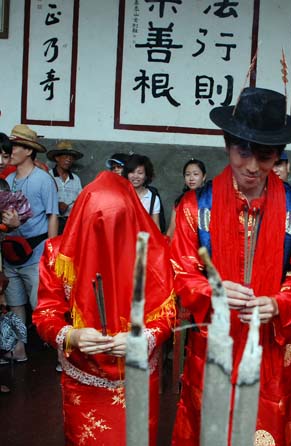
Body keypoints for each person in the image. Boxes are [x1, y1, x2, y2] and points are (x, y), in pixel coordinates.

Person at [170, 87, 291, 446]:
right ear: (227, 146)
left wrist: (279, 303)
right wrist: (212, 291)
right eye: (243, 152)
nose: (253, 166)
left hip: (270, 347)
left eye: (265, 156)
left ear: (278, 155)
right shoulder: (195, 206)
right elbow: (179, 271)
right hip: (213, 343)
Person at [32, 171, 175, 445]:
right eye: (98, 227)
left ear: (131, 219)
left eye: (116, 226)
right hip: (82, 373)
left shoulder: (155, 254)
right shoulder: (58, 254)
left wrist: (143, 338)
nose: (107, 238)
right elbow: (46, 313)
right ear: (83, 220)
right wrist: (71, 335)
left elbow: (167, 314)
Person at [0, 124, 58, 363]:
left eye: (15, 147)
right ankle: (19, 349)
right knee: (15, 304)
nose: (10, 151)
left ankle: (62, 355)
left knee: (41, 305)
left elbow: (52, 215)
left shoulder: (43, 180)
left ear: (29, 150)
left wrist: (52, 252)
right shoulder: (8, 179)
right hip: (10, 252)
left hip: (36, 252)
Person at [47, 140, 84, 234]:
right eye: (66, 156)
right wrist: (56, 204)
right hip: (52, 221)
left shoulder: (75, 179)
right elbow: (42, 200)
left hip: (71, 222)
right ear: (57, 158)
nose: (69, 160)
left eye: (71, 157)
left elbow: (81, 200)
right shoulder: (48, 176)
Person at [166, 159, 206, 238]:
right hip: (183, 244)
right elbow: (171, 230)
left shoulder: (210, 200)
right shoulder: (180, 201)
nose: (191, 178)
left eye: (195, 174)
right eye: (187, 174)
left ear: (204, 177)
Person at [122, 154, 162, 229]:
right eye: (132, 172)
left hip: (142, 236)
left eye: (140, 173)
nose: (135, 176)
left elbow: (156, 227)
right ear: (127, 174)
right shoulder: (120, 195)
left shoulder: (153, 198)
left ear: (146, 175)